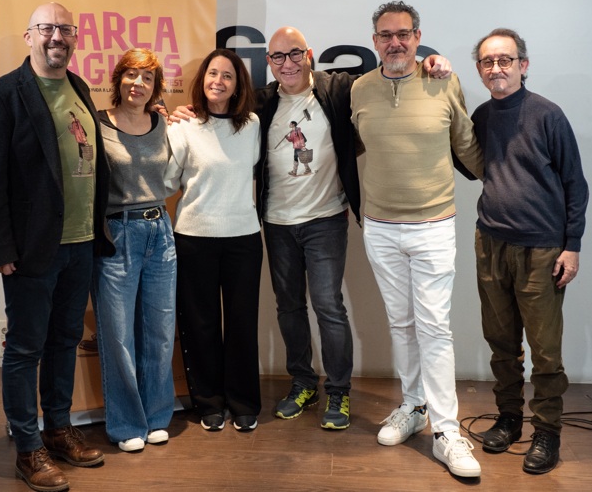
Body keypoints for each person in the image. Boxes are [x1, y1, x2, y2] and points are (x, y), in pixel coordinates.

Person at [170, 27, 451, 431]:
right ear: (268, 62)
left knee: (328, 306)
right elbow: (219, 120)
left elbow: (387, 76)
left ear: (310, 54)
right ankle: (303, 382)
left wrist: (430, 64)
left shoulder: (338, 89)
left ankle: (338, 389)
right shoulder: (261, 104)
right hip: (277, 222)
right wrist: (182, 112)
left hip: (325, 219)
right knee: (289, 308)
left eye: (295, 54)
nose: (287, 63)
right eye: (278, 57)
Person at [0, 2, 110, 492]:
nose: (57, 37)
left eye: (66, 29)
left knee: (64, 341)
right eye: (47, 28)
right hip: (30, 250)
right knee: (25, 348)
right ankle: (28, 448)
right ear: (29, 35)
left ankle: (58, 429)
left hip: (80, 242)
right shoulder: (1, 95)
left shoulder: (78, 88)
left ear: (75, 38)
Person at [350, 1, 483, 478]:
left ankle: (448, 432)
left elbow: (467, 143)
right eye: (386, 35)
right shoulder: (359, 90)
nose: (395, 43)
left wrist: (503, 181)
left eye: (403, 34)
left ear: (418, 36)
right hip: (381, 228)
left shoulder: (442, 79)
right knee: (402, 323)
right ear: (375, 42)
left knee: (434, 328)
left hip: (432, 225)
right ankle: (414, 407)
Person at [470, 28, 588, 474]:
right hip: (491, 244)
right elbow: (471, 165)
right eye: (487, 62)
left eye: (505, 60)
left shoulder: (547, 115)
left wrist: (571, 246)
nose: (496, 68)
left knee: (545, 351)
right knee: (501, 343)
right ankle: (509, 419)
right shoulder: (482, 115)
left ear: (523, 63)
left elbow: (575, 182)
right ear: (479, 69)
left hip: (542, 250)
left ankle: (547, 432)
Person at [165, 49, 263, 432]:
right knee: (200, 324)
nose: (217, 81)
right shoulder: (183, 126)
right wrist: (163, 123)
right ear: (201, 79)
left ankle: (243, 401)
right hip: (194, 236)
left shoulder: (251, 124)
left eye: (227, 76)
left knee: (242, 323)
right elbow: (168, 181)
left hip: (243, 236)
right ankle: (208, 401)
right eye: (212, 74)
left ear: (238, 86)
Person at [91, 48, 177, 453]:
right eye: (130, 75)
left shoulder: (163, 123)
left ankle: (157, 415)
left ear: (156, 86)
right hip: (117, 234)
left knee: (160, 332)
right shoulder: (97, 124)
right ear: (118, 80)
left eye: (146, 77)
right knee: (118, 334)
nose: (137, 84)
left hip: (160, 230)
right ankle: (127, 423)